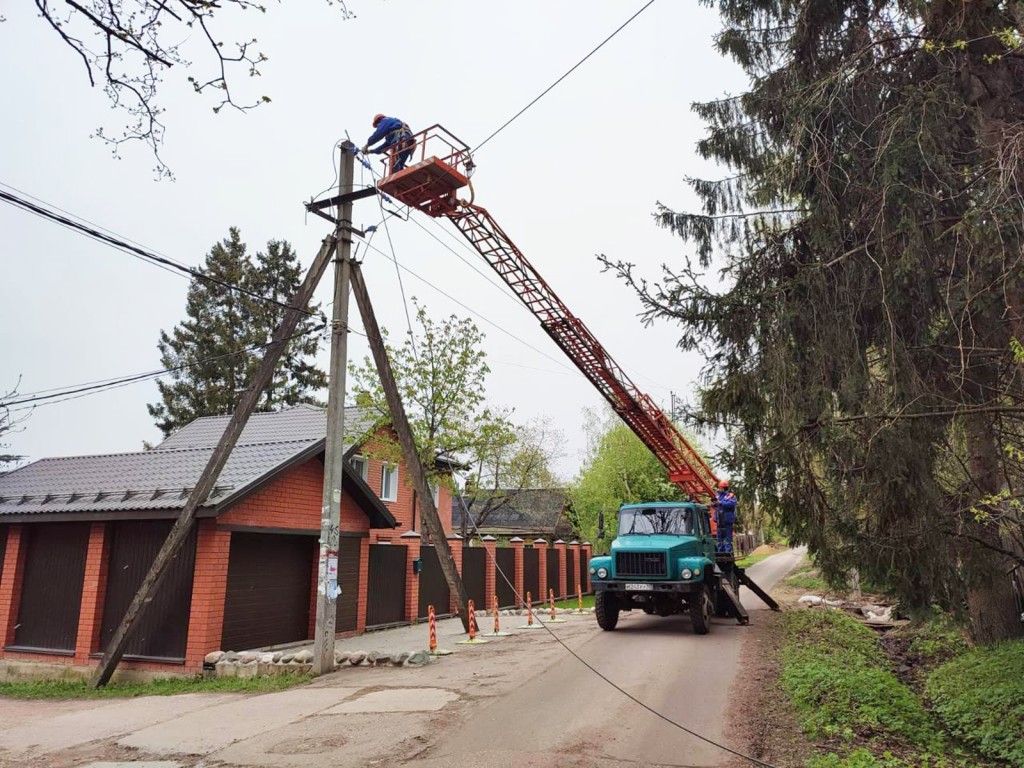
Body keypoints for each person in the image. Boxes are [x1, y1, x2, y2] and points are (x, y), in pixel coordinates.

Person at [713, 480, 737, 553]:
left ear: (724, 488)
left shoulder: (731, 496)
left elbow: (731, 504)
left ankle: (728, 552)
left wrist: (721, 503)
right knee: (719, 537)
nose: (719, 489)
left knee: (727, 537)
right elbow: (716, 508)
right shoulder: (718, 496)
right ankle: (720, 552)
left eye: (720, 487)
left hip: (727, 520)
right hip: (719, 520)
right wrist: (714, 516)